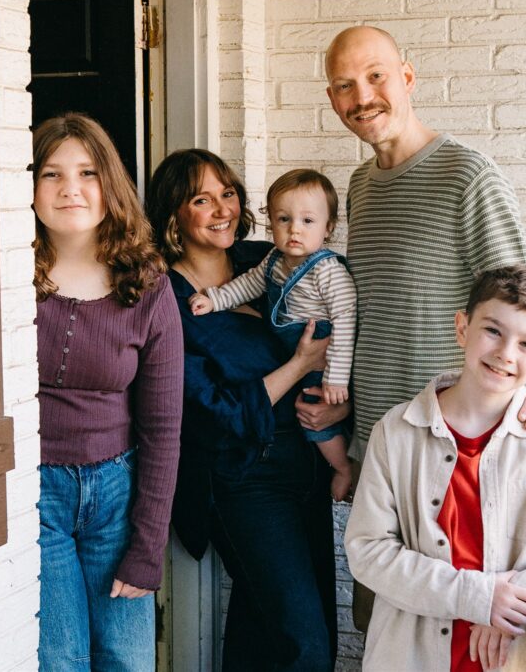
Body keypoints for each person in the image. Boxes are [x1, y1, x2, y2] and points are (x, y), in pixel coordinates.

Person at [306, 24, 526, 631]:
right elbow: (377, 312)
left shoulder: (468, 177)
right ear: (332, 98)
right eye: (344, 85)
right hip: (381, 451)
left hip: (459, 459)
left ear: (408, 78)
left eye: (376, 76)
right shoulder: (362, 186)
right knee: (385, 631)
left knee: (470, 640)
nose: (361, 95)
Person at [146, 149, 341, 672]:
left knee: (272, 624)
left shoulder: (270, 261)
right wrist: (300, 364)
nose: (221, 209)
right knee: (305, 645)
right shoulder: (164, 298)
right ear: (173, 217)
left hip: (308, 463)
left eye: (227, 193)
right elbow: (216, 414)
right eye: (201, 199)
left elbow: (344, 309)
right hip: (244, 476)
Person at [345, 265, 526, 672]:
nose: (506, 354)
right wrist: (476, 597)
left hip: (515, 654)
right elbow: (368, 551)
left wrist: (509, 601)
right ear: (462, 327)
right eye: (493, 331)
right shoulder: (396, 431)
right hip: (411, 655)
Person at [32, 113, 183, 671]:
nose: (70, 187)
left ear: (110, 185)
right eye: (51, 173)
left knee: (126, 658)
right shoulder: (9, 276)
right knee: (60, 659)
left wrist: (148, 548)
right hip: (35, 494)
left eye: (88, 172)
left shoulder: (146, 285)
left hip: (116, 494)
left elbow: (164, 430)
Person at [186, 169, 357, 501]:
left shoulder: (329, 271)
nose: (294, 229)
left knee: (315, 414)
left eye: (308, 221)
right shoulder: (273, 260)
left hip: (326, 346)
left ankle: (342, 467)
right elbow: (247, 285)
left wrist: (336, 377)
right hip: (295, 349)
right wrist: (215, 299)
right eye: (284, 219)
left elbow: (346, 321)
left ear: (329, 228)